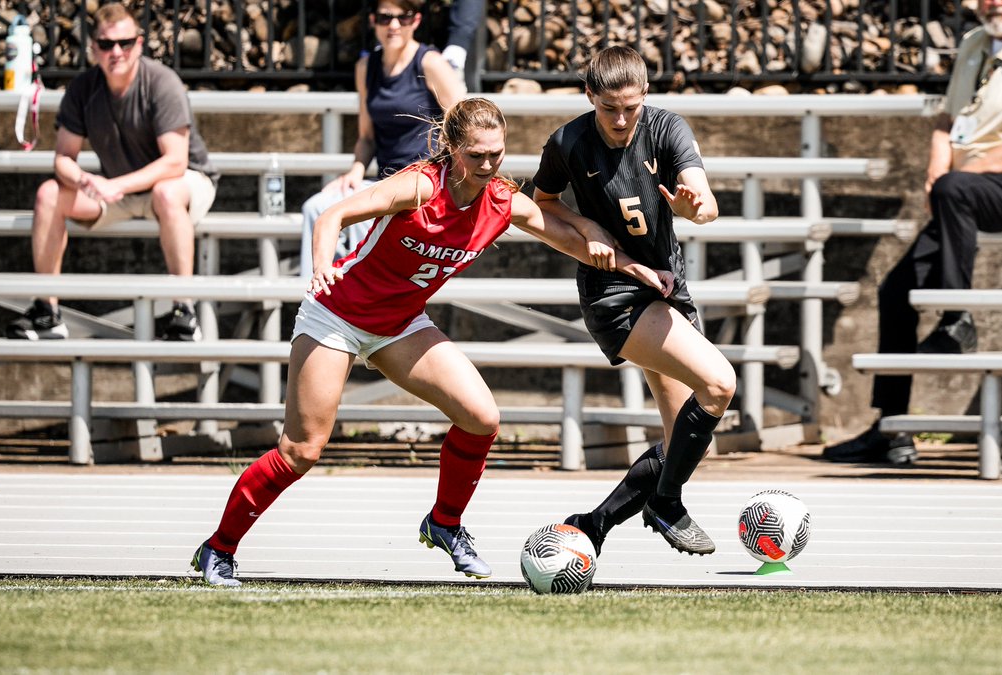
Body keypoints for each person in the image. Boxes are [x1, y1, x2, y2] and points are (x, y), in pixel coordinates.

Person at [191, 98, 670, 586]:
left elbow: (568, 237)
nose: (487, 166)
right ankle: (218, 548)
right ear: (452, 148)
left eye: (497, 155)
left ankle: (444, 523)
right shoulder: (422, 185)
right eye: (476, 155)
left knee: (482, 418)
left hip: (399, 324)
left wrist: (634, 267)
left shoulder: (502, 201)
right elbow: (331, 217)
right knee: (302, 450)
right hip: (335, 315)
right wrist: (319, 270)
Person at [824, 0, 1002, 465]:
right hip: (964, 194)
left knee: (956, 189)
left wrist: (959, 180)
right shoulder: (974, 43)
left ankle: (958, 319)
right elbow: (947, 121)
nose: (994, 3)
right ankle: (891, 429)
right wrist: (938, 171)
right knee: (894, 290)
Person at [530, 46, 736, 558]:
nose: (621, 120)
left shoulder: (666, 129)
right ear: (589, 96)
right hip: (613, 295)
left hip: (665, 287)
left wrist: (696, 208)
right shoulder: (569, 142)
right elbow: (542, 206)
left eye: (631, 107)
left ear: (646, 93)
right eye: (608, 109)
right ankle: (665, 506)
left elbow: (704, 202)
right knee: (719, 383)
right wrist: (585, 227)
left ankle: (591, 525)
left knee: (685, 445)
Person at [5, 3, 217, 342]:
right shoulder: (82, 88)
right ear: (93, 48)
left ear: (139, 43)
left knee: (166, 192)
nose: (115, 52)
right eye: (106, 44)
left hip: (184, 183)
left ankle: (184, 311)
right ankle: (47, 311)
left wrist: (114, 184)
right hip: (117, 191)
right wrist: (85, 180)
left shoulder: (162, 82)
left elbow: (175, 161)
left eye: (125, 43)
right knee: (49, 193)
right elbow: (63, 159)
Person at [299, 0, 463, 278]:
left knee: (370, 213)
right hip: (385, 181)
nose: (394, 25)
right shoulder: (367, 67)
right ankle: (316, 298)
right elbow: (366, 137)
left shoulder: (430, 63)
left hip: (424, 182)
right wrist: (356, 169)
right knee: (316, 207)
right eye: (386, 18)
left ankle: (367, 296)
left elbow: (464, 126)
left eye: (404, 17)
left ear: (417, 20)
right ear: (374, 20)